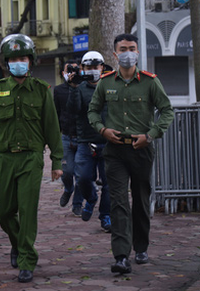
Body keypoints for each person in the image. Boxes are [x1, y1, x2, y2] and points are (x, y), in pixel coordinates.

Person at [88, 33, 174, 274]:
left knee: (141, 199)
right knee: (118, 202)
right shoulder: (106, 82)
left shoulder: (150, 82)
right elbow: (93, 112)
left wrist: (151, 134)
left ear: (138, 52)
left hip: (141, 150)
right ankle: (121, 255)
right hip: (115, 151)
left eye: (132, 48)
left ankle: (142, 246)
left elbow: (167, 111)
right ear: (115, 54)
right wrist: (102, 130)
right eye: (123, 49)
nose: (128, 53)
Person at [0, 34, 64, 284]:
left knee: (27, 211)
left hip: (31, 159)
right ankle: (17, 243)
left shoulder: (41, 90)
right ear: (7, 62)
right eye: (14, 58)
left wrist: (57, 162)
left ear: (31, 61)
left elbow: (52, 127)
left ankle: (27, 260)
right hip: (4, 160)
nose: (19, 62)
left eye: (23, 58)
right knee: (4, 211)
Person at [67, 51, 111, 232]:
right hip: (85, 142)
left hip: (109, 141)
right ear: (82, 69)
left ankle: (106, 215)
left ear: (102, 68)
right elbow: (73, 109)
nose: (93, 71)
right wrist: (74, 87)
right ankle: (91, 199)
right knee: (84, 178)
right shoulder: (80, 86)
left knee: (109, 182)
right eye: (89, 68)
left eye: (96, 67)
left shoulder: (110, 85)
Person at [53, 59, 84, 216]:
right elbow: (55, 114)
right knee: (67, 171)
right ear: (63, 73)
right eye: (69, 70)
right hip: (65, 136)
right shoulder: (58, 90)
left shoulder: (84, 87)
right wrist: (53, 139)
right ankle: (68, 189)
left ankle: (77, 203)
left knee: (81, 173)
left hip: (83, 137)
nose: (72, 72)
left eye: (76, 69)